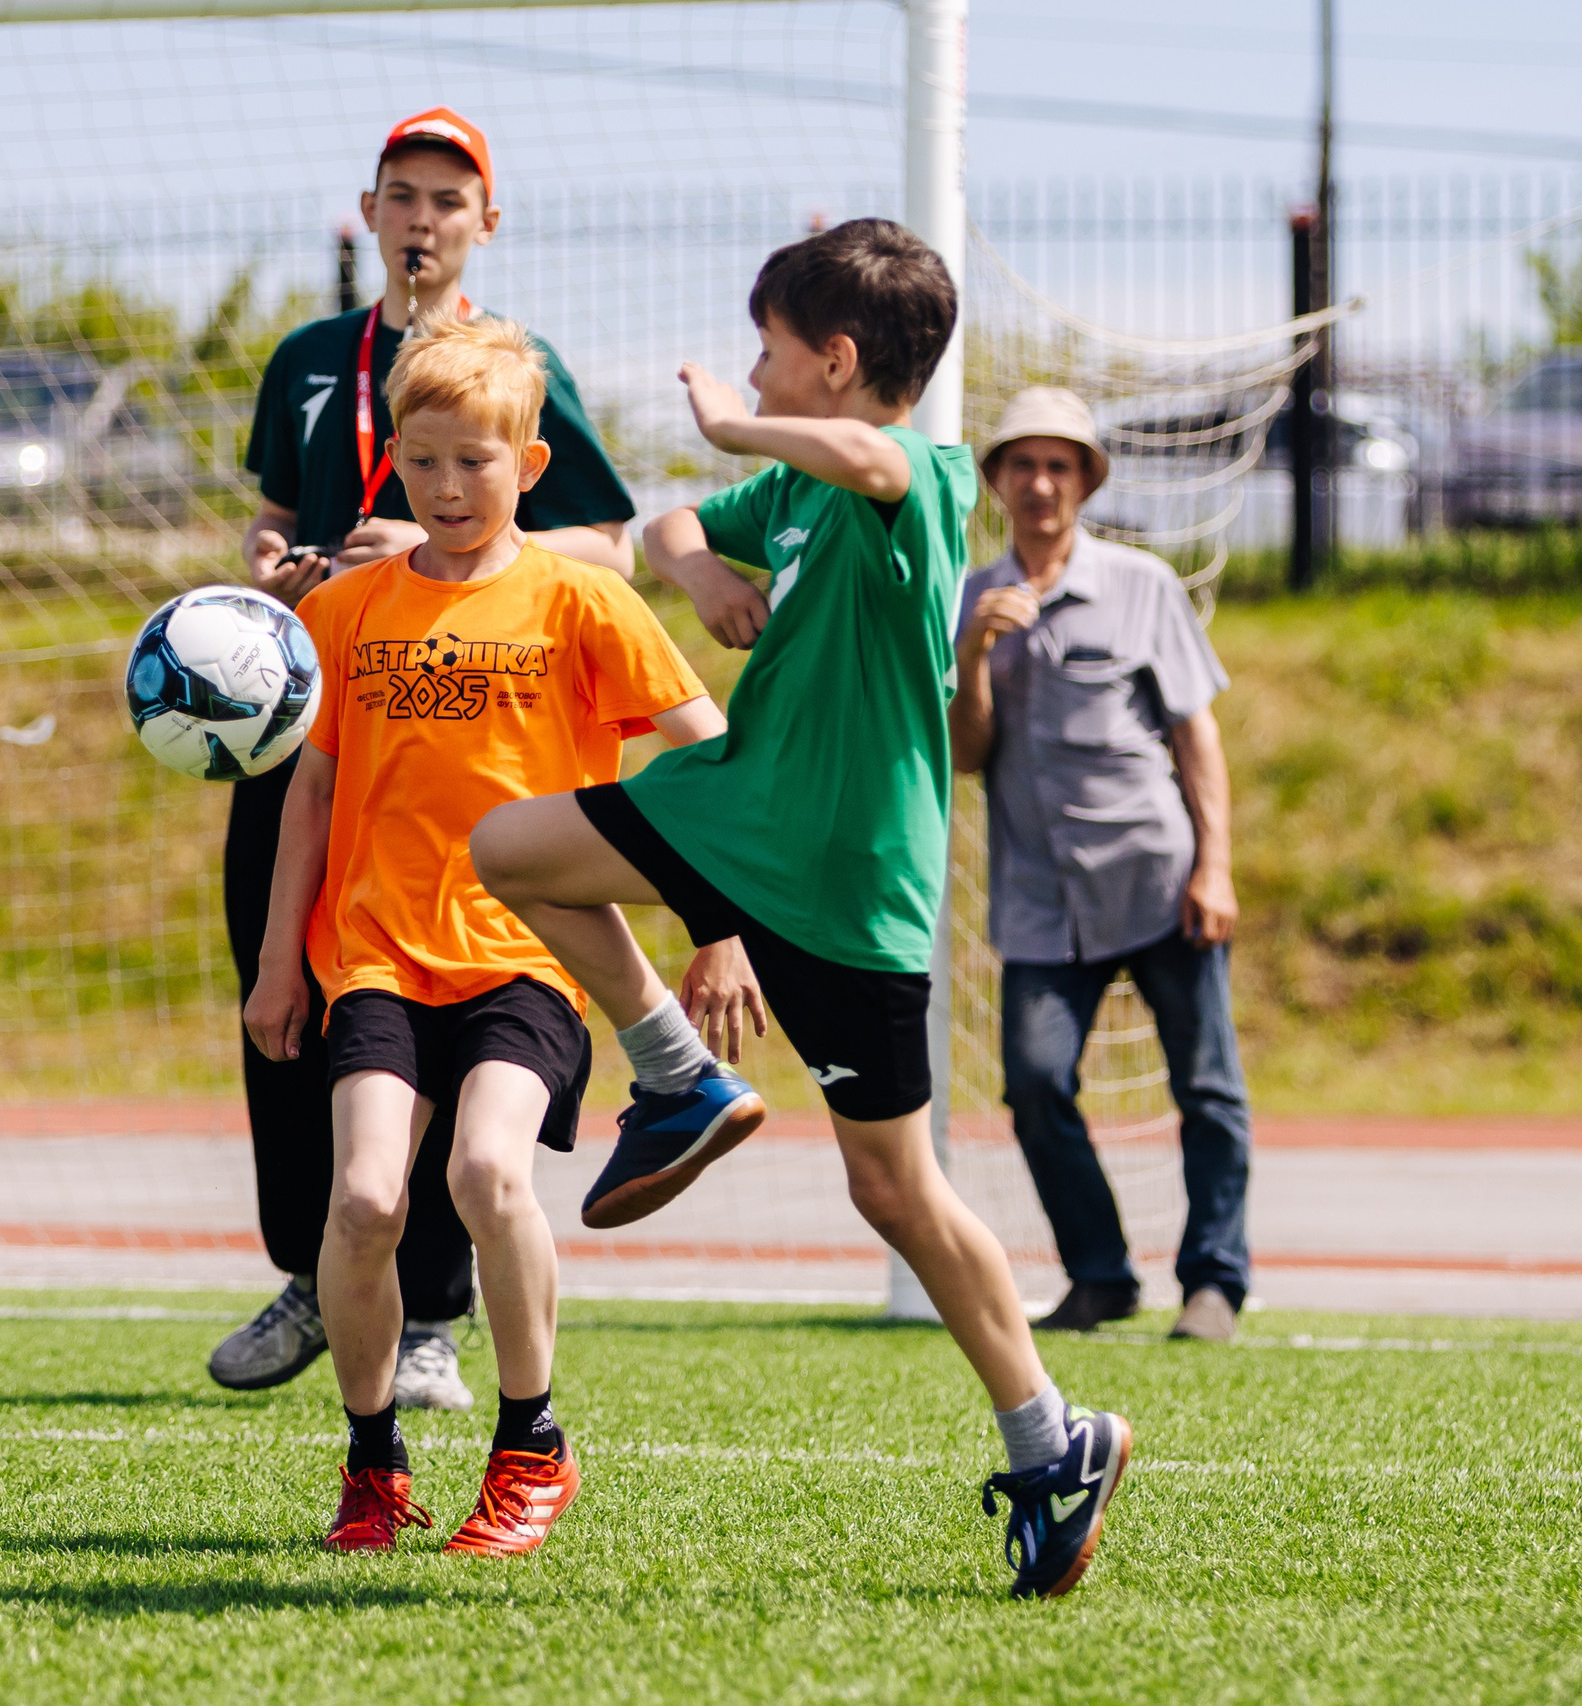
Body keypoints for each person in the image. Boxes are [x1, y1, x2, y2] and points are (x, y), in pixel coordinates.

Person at [472, 220, 1131, 1600]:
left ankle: (1052, 1438)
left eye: (768, 349)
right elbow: (669, 526)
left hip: (847, 875)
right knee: (508, 846)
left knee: (893, 1186)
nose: (753, 369)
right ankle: (676, 1073)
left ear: (831, 362)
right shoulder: (789, 491)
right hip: (744, 812)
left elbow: (872, 460)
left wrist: (736, 424)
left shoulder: (923, 478)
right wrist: (701, 567)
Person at [243, 313, 731, 1554]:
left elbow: (711, 755)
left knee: (484, 1173)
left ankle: (530, 1444)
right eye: (422, 461)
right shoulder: (348, 607)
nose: (448, 486)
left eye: (476, 460)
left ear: (531, 464)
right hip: (373, 954)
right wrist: (276, 960)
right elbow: (311, 793)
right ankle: (372, 1465)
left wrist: (717, 923)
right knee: (362, 1199)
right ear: (393, 461)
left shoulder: (582, 598)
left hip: (527, 956)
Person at [210, 107, 643, 1409]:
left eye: (448, 201)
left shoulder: (512, 366)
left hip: (457, 734)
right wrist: (277, 567)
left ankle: (434, 1313)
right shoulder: (307, 358)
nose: (422, 219)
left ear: (484, 224)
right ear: (370, 210)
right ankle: (318, 1267)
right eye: (402, 195)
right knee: (291, 999)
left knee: (456, 1009)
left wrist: (429, 547)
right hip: (314, 717)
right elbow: (272, 518)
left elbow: (611, 547)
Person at [948, 387, 1252, 1345]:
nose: (1041, 483)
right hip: (1041, 897)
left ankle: (1214, 1284)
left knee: (1207, 1090)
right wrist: (975, 650)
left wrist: (1215, 868)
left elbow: (1196, 735)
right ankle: (1100, 1275)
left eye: (1060, 465)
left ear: (1085, 482)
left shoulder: (1143, 584)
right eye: (1023, 465)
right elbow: (966, 754)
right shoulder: (969, 597)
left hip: (1158, 878)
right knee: (1036, 1084)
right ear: (997, 481)